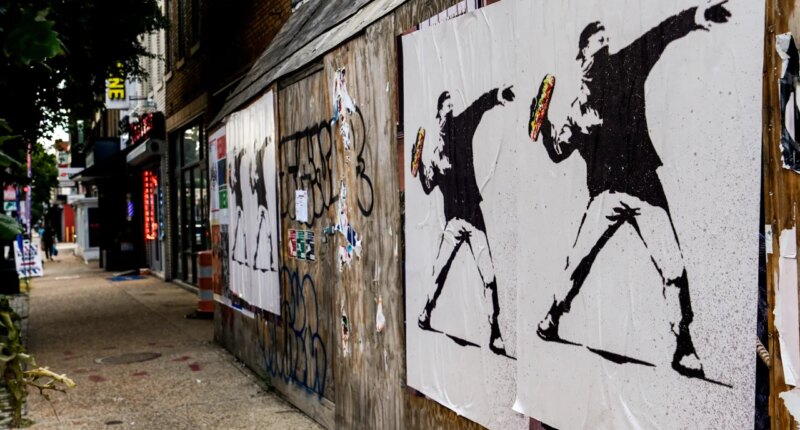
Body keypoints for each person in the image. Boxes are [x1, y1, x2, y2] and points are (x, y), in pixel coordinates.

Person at [535, 1, 732, 378]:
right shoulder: (577, 111)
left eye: (608, 39)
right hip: (606, 195)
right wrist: (543, 126)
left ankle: (683, 345)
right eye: (597, 42)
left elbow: (660, 35)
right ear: (581, 58)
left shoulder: (627, 65)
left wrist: (696, 16)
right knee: (577, 263)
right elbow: (558, 153)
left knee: (673, 267)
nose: (605, 45)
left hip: (643, 186)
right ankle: (553, 315)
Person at [415, 86, 515, 356]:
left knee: (489, 276)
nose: (449, 109)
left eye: (451, 105)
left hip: (473, 217)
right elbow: (427, 185)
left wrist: (497, 95)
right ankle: (426, 312)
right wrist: (421, 166)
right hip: (452, 224)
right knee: (439, 271)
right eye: (445, 106)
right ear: (438, 116)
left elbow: (479, 105)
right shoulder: (436, 156)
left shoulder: (461, 126)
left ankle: (495, 332)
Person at [250, 138, 276, 272]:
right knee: (262, 233)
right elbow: (253, 189)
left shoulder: (258, 163)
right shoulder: (255, 168)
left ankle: (266, 261)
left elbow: (262, 147)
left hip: (263, 203)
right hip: (262, 204)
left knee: (266, 232)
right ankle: (256, 261)